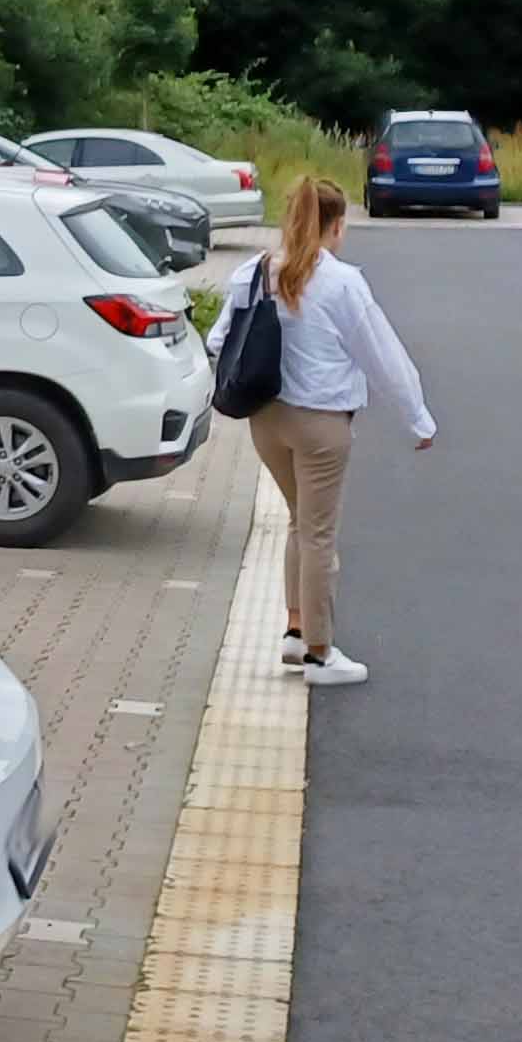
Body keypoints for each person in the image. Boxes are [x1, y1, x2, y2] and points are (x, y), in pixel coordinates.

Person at [208, 174, 434, 687]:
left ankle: (295, 631)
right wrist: (417, 417)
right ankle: (319, 654)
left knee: (300, 523)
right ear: (335, 226)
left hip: (266, 421)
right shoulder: (341, 282)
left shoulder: (253, 272)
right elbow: (383, 358)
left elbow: (218, 340)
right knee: (318, 536)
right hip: (321, 427)